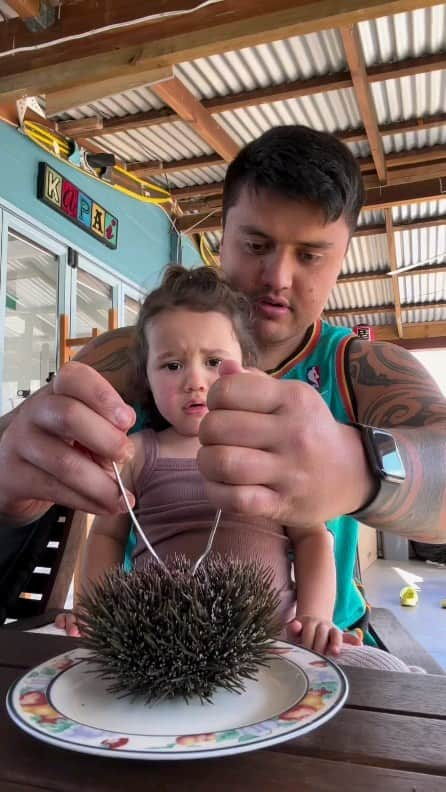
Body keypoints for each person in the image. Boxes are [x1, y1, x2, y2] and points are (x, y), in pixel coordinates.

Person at [1, 125, 445, 643]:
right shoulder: (128, 357)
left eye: (310, 255)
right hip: (153, 640)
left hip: (314, 645)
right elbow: (15, 450)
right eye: (256, 244)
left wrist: (362, 469)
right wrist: (10, 487)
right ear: (221, 236)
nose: (278, 275)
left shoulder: (358, 370)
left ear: (343, 257)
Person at [56, 264, 345, 657]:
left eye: (213, 362)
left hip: (270, 643)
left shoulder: (273, 453)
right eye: (172, 365)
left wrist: (315, 618)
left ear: (246, 366)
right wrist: (93, 610)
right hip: (156, 647)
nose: (194, 380)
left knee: (385, 670)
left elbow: (313, 537)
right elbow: (106, 536)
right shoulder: (136, 453)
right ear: (147, 376)